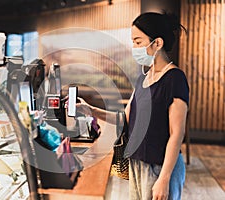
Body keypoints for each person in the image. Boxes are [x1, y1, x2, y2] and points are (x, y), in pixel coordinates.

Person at [75, 12, 189, 200]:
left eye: (138, 41)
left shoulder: (175, 79)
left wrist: (164, 179)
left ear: (157, 43)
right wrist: (91, 110)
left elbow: (177, 133)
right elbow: (125, 118)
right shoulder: (143, 78)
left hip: (160, 167)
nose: (134, 47)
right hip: (137, 164)